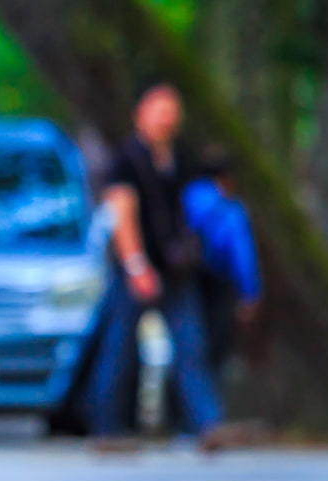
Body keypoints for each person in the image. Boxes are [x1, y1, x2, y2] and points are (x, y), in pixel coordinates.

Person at [83, 82, 241, 449]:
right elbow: (121, 213)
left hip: (175, 270)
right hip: (136, 268)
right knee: (119, 348)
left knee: (190, 346)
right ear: (141, 113)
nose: (166, 119)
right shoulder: (126, 159)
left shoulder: (179, 159)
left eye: (172, 111)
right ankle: (106, 427)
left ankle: (207, 425)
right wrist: (136, 265)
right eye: (159, 110)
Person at [183, 147, 261, 381]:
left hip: (182, 282)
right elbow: (242, 255)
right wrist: (250, 295)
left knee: (187, 345)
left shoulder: (184, 197)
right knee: (213, 348)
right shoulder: (230, 209)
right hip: (217, 284)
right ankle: (207, 411)